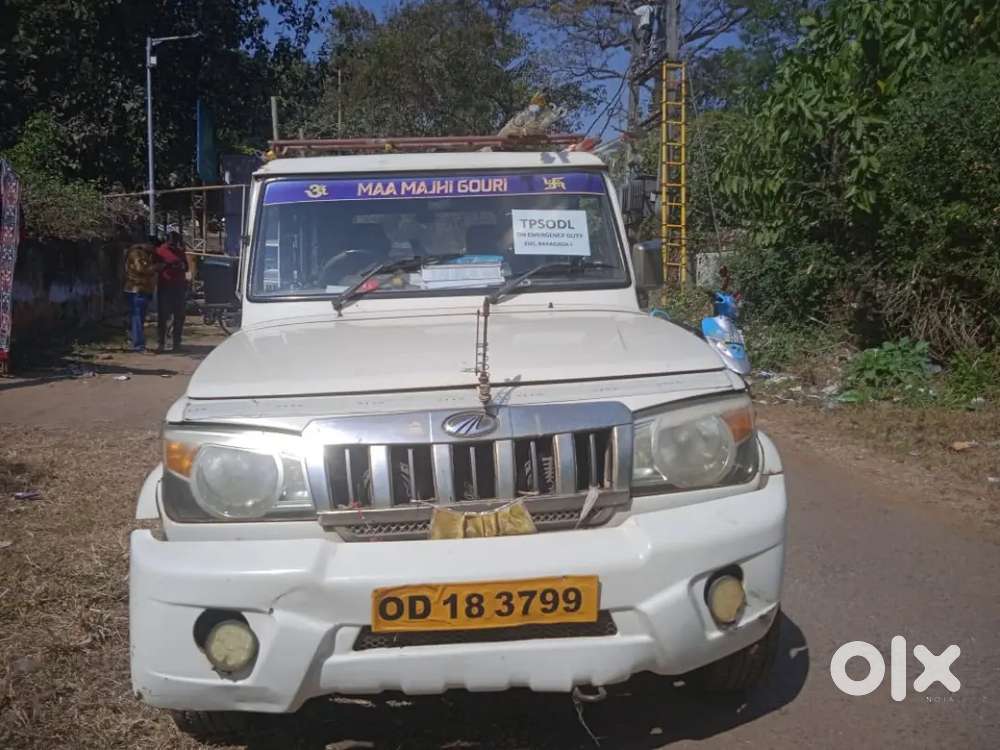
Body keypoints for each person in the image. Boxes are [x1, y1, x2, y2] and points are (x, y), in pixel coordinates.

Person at [155, 231, 189, 352]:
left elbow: (186, 267)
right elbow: (155, 266)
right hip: (165, 286)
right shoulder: (160, 251)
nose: (173, 245)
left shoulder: (180, 252)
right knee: (163, 316)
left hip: (179, 287)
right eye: (171, 243)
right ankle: (161, 343)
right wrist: (167, 265)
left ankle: (177, 343)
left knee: (179, 316)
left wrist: (180, 265)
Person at [123, 239, 157, 352]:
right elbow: (140, 269)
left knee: (139, 318)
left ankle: (137, 342)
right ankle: (138, 345)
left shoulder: (142, 253)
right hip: (137, 288)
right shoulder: (137, 253)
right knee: (137, 318)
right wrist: (156, 267)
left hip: (142, 289)